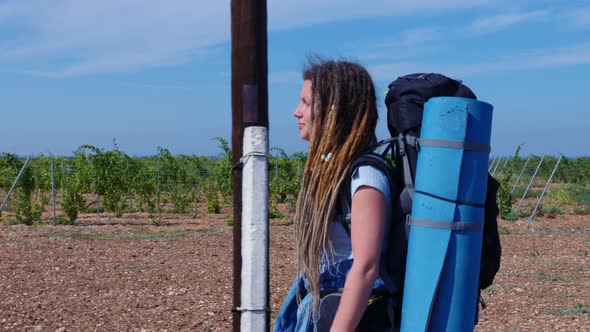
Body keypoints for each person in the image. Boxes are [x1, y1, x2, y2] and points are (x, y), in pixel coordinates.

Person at [274, 60, 395, 332]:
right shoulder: (337, 171)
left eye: (305, 102)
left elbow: (365, 268)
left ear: (333, 109)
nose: (297, 112)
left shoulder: (366, 175)